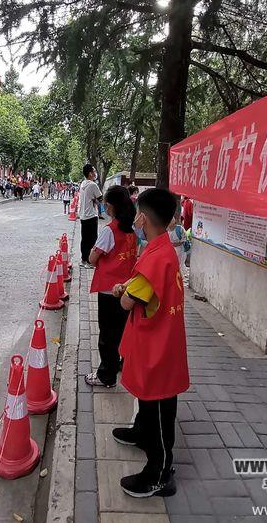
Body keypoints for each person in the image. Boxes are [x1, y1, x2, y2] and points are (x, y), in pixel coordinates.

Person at [110, 188, 190, 498]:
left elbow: (127, 303)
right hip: (163, 342)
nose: (135, 220)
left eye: (137, 215)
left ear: (143, 218)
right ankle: (141, 432)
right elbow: (142, 285)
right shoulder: (163, 249)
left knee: (158, 407)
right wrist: (129, 286)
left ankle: (160, 473)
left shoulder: (156, 258)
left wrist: (124, 292)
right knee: (150, 403)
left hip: (158, 348)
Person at [85, 185, 137, 388]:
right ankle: (120, 363)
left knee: (107, 334)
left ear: (111, 206)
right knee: (122, 330)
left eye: (106, 203)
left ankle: (106, 375)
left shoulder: (109, 231)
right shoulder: (131, 230)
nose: (105, 207)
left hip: (109, 290)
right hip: (128, 289)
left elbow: (92, 258)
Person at [79, 164, 103, 267]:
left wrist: (93, 199)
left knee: (84, 239)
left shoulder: (83, 184)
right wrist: (95, 200)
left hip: (83, 215)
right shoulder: (93, 185)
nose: (95, 173)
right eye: (94, 171)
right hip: (91, 215)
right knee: (92, 239)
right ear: (90, 173)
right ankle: (90, 262)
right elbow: (100, 199)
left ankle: (84, 260)